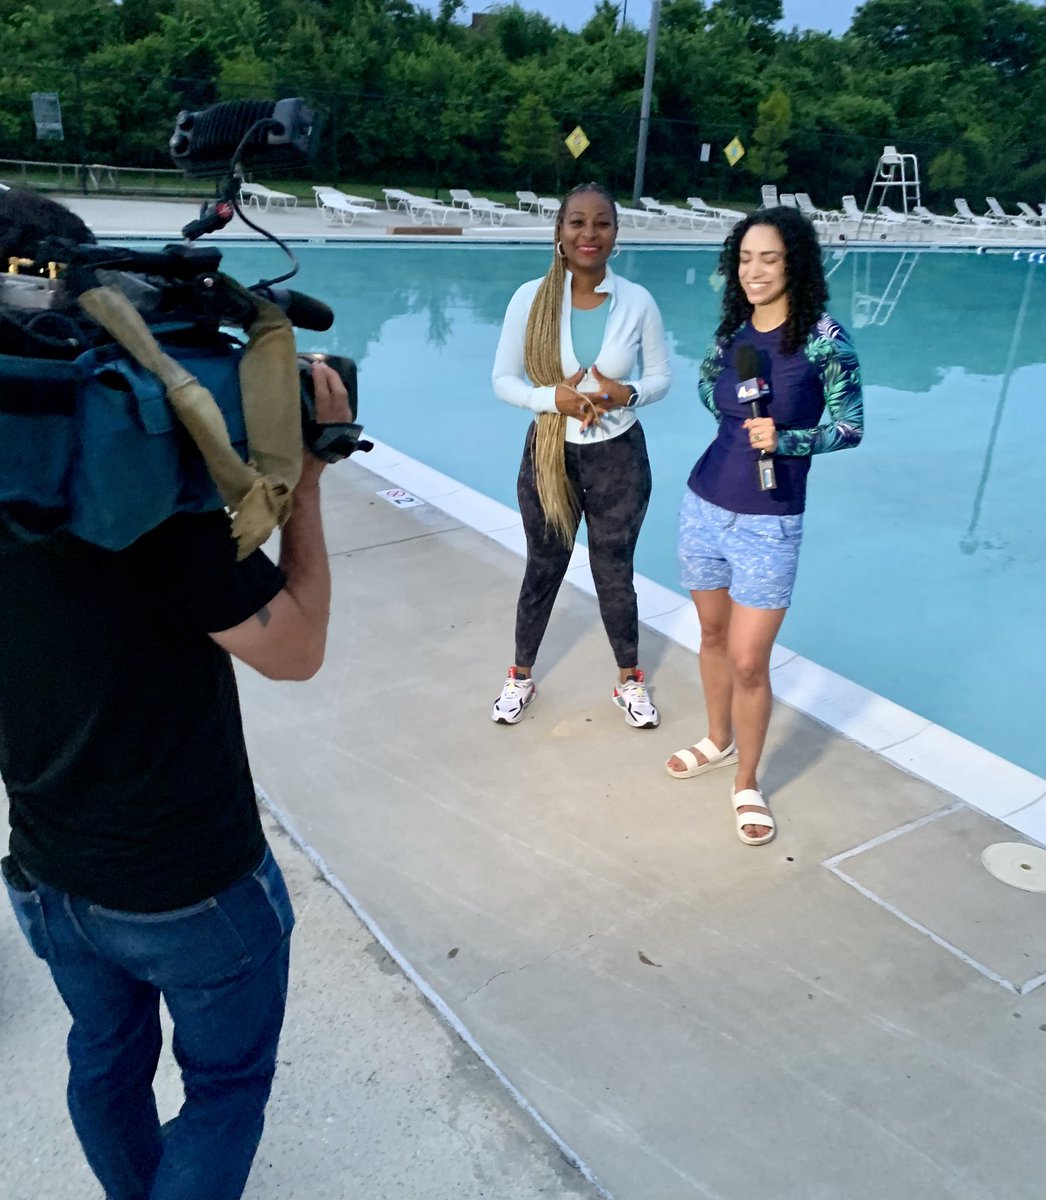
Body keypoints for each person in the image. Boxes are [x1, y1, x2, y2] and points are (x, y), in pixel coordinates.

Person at [0, 191, 348, 1200]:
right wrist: (308, 481)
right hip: (189, 883)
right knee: (226, 1086)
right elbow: (295, 651)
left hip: (47, 871)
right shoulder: (142, 488)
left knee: (103, 1060)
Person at [665, 206, 863, 845]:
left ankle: (746, 779)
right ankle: (718, 739)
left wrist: (788, 438)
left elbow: (851, 427)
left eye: (768, 258)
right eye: (745, 259)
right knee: (713, 636)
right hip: (704, 504)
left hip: (770, 521)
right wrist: (740, 431)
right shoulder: (734, 335)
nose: (754, 271)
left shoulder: (825, 340)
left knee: (751, 660)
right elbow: (706, 389)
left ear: (794, 263)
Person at [490, 181, 671, 728]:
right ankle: (520, 676)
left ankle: (629, 682)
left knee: (614, 571)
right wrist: (554, 398)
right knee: (544, 565)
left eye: (602, 223)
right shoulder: (530, 297)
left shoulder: (637, 301)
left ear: (615, 233)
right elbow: (503, 380)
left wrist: (627, 393)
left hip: (619, 457)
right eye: (577, 222)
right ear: (560, 232)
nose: (589, 233)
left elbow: (661, 377)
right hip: (551, 453)